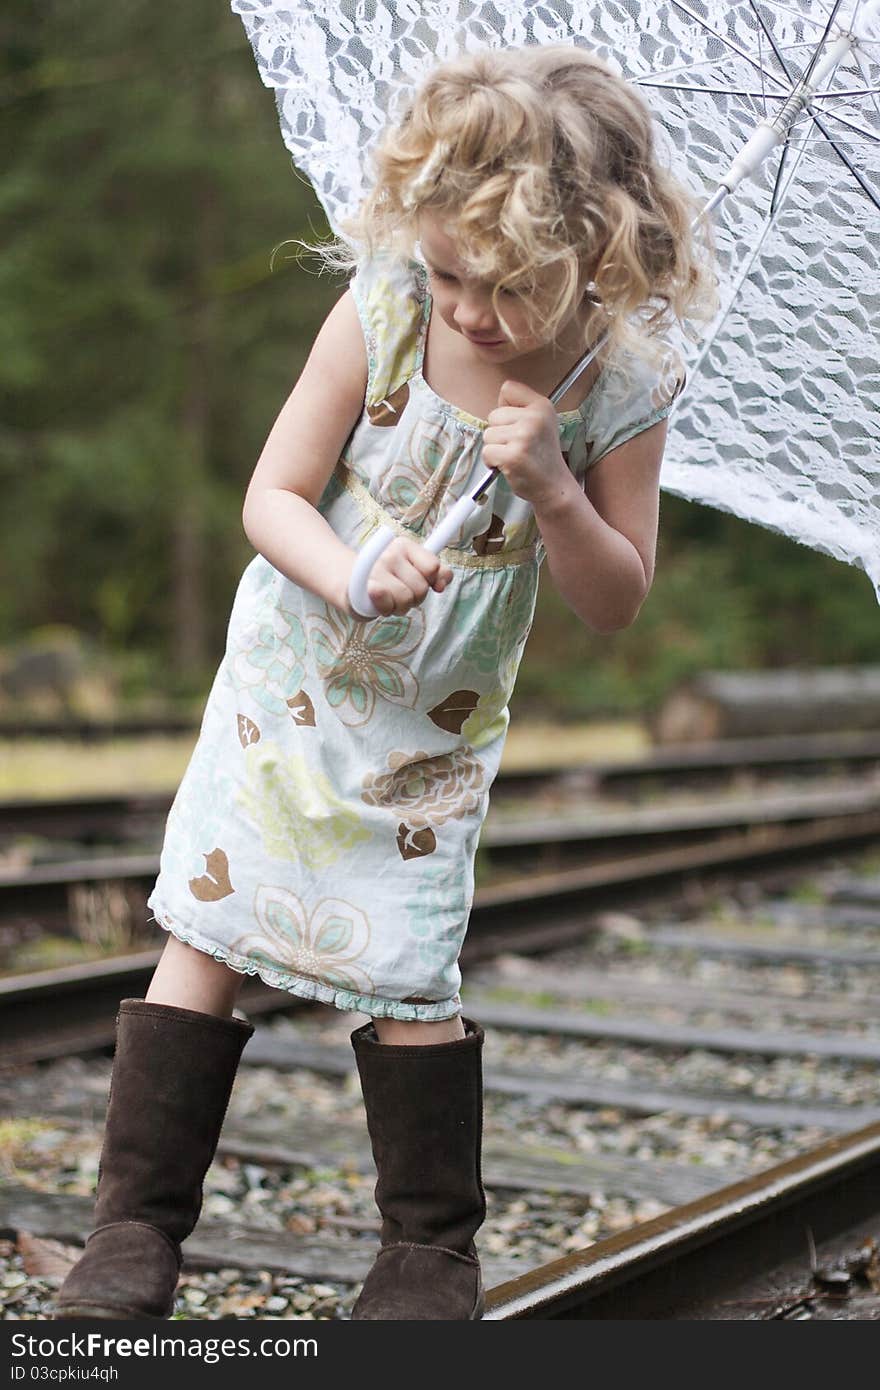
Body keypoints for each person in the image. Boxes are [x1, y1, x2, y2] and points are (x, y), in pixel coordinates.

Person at [54, 42, 716, 1322]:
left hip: (431, 726)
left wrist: (554, 491)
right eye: (449, 270)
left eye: (504, 288)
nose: (467, 309)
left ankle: (426, 1256)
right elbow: (271, 496)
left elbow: (614, 596)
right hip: (293, 677)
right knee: (208, 925)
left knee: (411, 960)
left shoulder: (619, 388)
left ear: (593, 261)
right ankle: (130, 1231)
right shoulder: (386, 310)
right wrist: (354, 574)